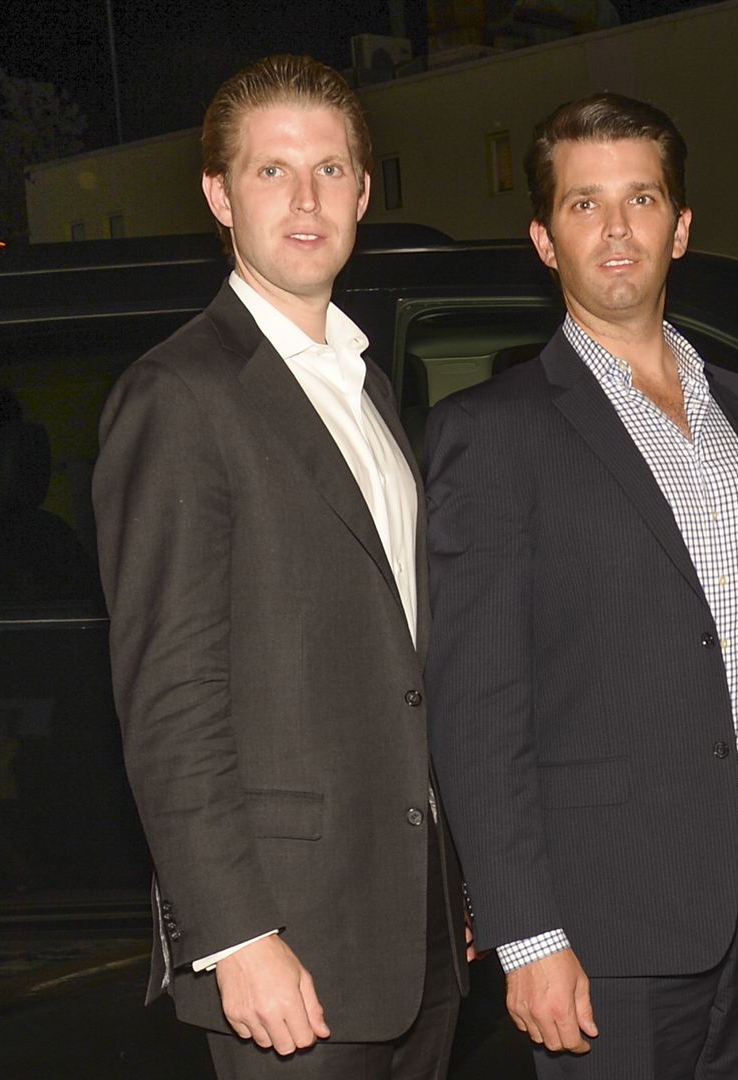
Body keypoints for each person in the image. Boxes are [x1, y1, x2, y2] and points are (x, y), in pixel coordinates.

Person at [423, 92, 738, 1080]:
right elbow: (477, 709)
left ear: (682, 225)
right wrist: (528, 935)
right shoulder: (493, 433)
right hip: (602, 912)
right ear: (543, 238)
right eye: (584, 205)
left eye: (642, 199)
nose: (616, 229)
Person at [93, 55, 467, 1079]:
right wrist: (236, 937)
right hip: (286, 947)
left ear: (364, 189)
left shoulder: (368, 388)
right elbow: (171, 699)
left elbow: (399, 668)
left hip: (415, 935)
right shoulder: (180, 395)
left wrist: (454, 888)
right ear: (218, 194)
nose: (306, 200)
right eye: (271, 172)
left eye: (331, 170)